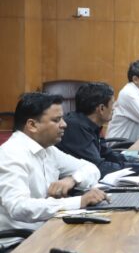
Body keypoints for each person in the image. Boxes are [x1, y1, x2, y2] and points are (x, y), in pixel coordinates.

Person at [0, 93, 106, 234]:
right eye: (57, 120)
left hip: (49, 228)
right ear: (32, 125)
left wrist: (73, 179)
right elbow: (18, 207)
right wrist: (78, 201)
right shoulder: (10, 154)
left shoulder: (48, 150)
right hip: (21, 239)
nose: (64, 124)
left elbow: (91, 169)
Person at [57, 82, 130, 178]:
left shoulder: (91, 124)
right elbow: (99, 168)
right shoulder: (75, 127)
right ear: (101, 108)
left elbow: (106, 153)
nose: (114, 108)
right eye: (113, 104)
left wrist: (137, 161)